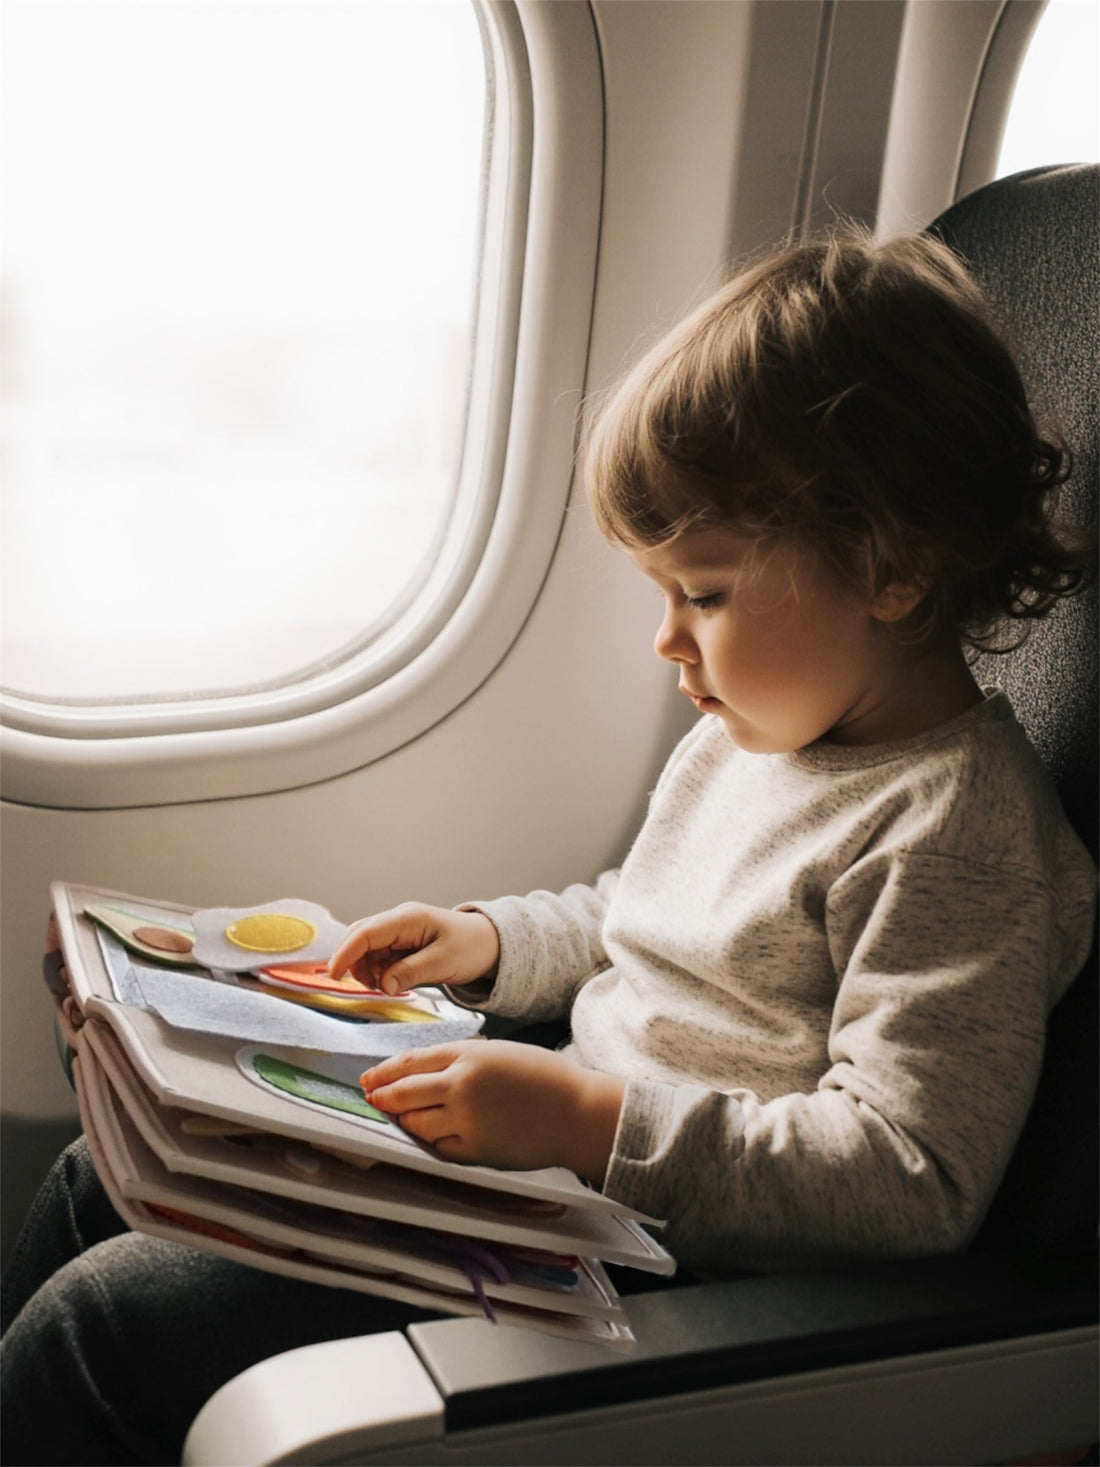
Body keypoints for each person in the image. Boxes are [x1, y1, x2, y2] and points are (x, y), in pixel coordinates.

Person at [2, 229, 1095, 1465]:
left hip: (671, 1271)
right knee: (103, 1172)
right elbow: (645, 915)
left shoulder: (955, 833)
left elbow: (908, 1176)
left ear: (893, 568)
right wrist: (487, 947)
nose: (666, 642)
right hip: (567, 1181)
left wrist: (589, 1122)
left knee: (109, 1328)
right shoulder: (759, 739)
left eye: (708, 594)